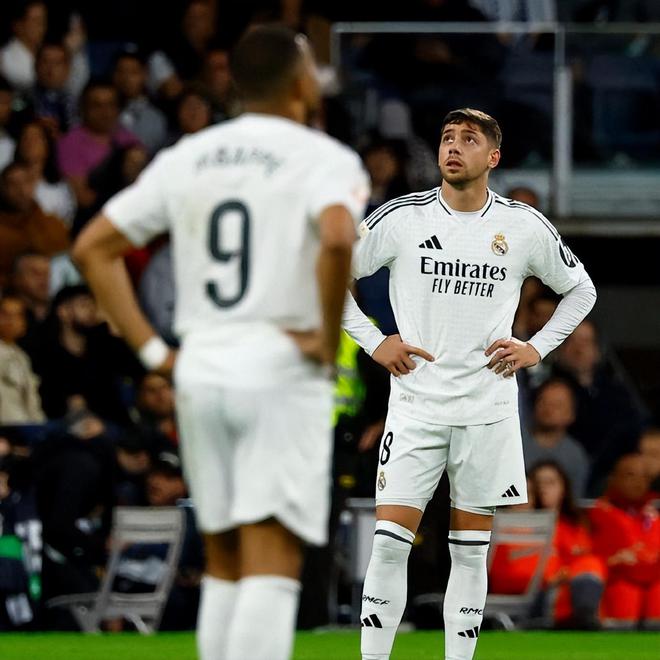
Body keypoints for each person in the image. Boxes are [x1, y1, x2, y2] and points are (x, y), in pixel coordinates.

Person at [72, 25, 369, 660]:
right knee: (272, 560)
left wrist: (155, 353)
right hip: (278, 369)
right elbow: (339, 236)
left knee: (227, 561)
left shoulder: (189, 155)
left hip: (201, 367)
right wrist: (325, 339)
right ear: (301, 84)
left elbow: (92, 247)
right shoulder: (324, 157)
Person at [342, 107, 596, 660]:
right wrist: (374, 340)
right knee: (389, 546)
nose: (453, 147)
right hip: (415, 407)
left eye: (468, 139)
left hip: (487, 410)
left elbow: (582, 290)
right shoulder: (402, 218)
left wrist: (536, 348)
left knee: (470, 551)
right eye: (447, 138)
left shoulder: (522, 225)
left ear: (493, 156)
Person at [589, 453, 660, 628]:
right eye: (630, 475)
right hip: (616, 581)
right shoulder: (597, 514)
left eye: (644, 477)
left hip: (651, 579)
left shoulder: (652, 515)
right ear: (613, 479)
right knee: (626, 593)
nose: (638, 482)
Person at [522, 378, 591, 497]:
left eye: (557, 405)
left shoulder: (575, 456)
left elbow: (574, 500)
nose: (549, 409)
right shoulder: (514, 443)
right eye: (544, 402)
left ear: (572, 413)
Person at [0, 295, 45, 424]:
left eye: (18, 315)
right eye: (5, 315)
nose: (11, 321)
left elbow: (32, 400)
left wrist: (40, 427)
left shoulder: (22, 357)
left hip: (26, 425)